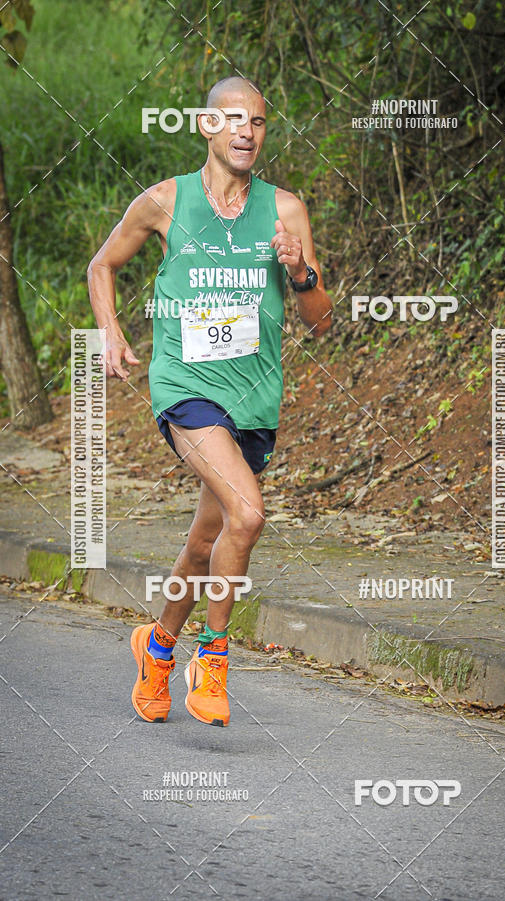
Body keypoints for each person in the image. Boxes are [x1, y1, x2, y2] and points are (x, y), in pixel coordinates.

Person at [87, 75, 333, 727]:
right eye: (233, 120)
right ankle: (212, 659)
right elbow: (101, 265)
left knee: (206, 541)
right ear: (205, 125)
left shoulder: (285, 212)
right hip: (185, 386)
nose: (246, 132)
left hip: (253, 396)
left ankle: (158, 646)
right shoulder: (166, 201)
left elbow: (321, 318)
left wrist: (300, 272)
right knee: (247, 515)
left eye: (256, 121)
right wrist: (110, 329)